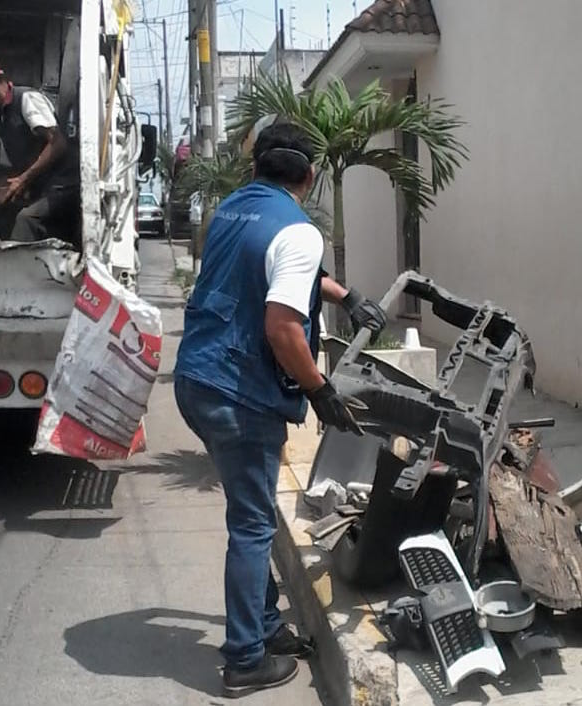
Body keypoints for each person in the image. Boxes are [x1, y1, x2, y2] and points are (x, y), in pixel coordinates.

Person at [173, 122, 386, 695]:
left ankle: (263, 624)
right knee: (251, 523)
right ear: (310, 175)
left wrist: (345, 295)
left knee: (253, 511)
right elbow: (283, 327)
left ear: (256, 168)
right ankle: (244, 657)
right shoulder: (299, 230)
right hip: (235, 392)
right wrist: (319, 389)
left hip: (195, 378)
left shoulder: (234, 210)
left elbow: (265, 262)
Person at [0, 54, 79, 244]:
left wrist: (24, 179)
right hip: (42, 190)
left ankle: (14, 270)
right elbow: (13, 174)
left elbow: (58, 142)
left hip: (64, 187)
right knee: (0, 216)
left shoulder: (26, 99)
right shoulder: (0, 120)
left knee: (27, 219)